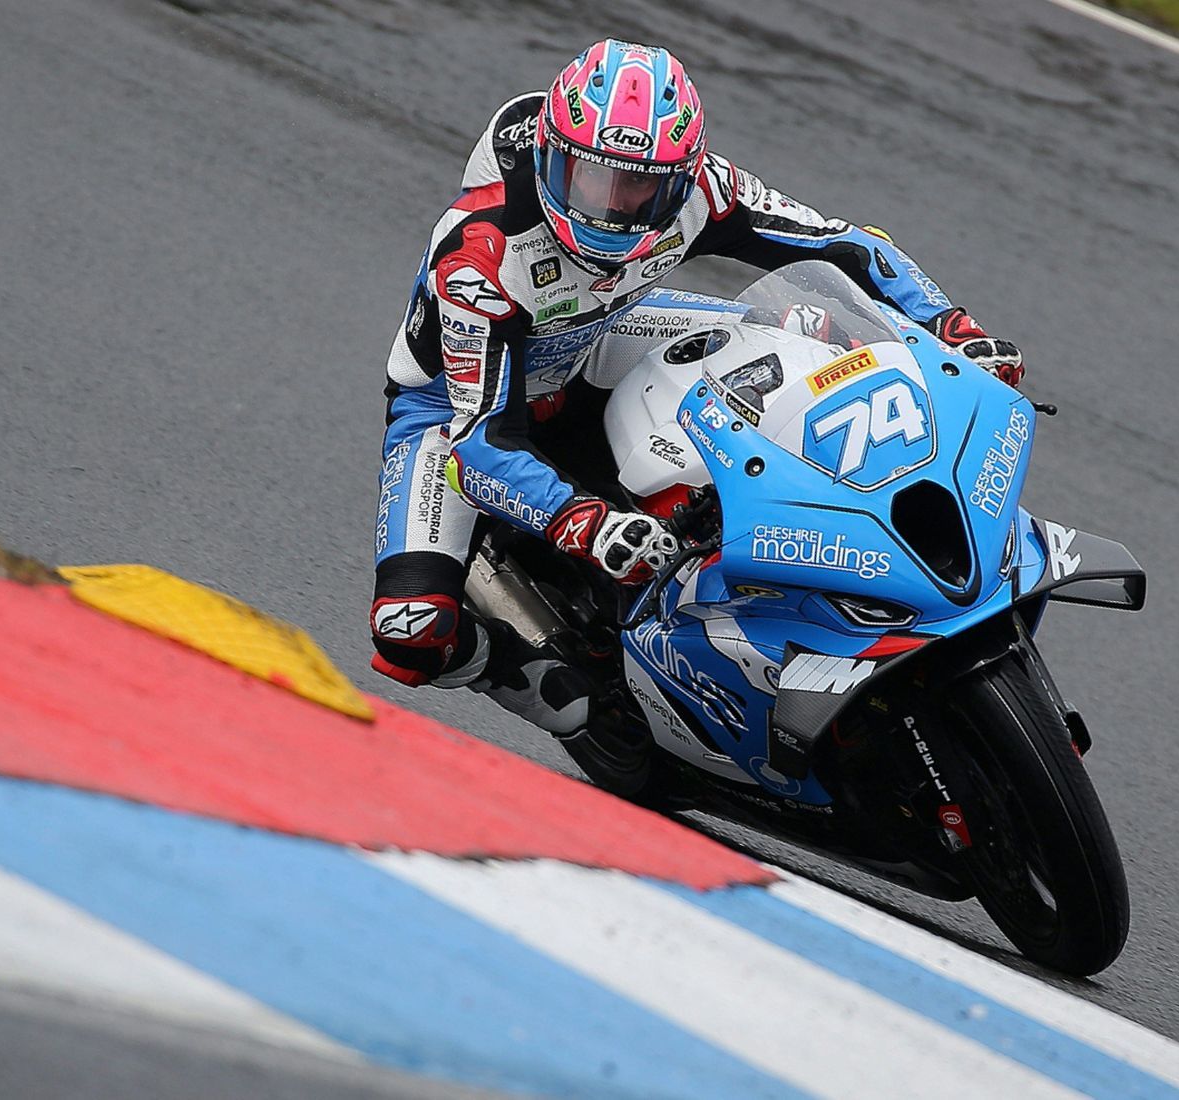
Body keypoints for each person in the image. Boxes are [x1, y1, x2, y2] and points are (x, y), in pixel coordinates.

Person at [371, 38, 1024, 742]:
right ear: (550, 155)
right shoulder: (482, 253)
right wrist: (579, 520)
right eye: (588, 178)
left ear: (680, 178)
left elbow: (843, 244)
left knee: (809, 333)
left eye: (638, 186)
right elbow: (477, 440)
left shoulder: (708, 189)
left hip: (604, 336)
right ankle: (523, 677)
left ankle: (840, 536)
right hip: (453, 409)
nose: (610, 208)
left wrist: (954, 327)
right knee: (410, 631)